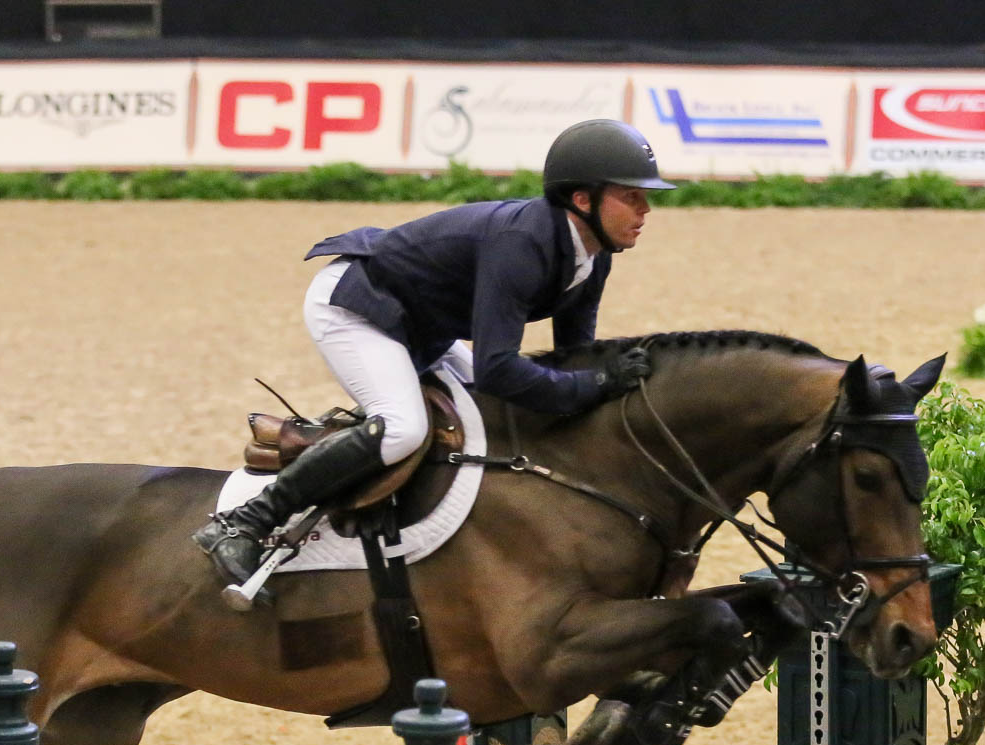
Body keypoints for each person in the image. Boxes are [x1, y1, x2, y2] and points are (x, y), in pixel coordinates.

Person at [195, 118, 676, 586]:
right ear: (582, 199)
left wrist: (605, 386)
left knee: (490, 419)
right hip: (357, 306)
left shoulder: (593, 256)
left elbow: (574, 356)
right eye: (631, 197)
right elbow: (497, 368)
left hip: (424, 326)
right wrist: (592, 385)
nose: (645, 211)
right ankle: (245, 522)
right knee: (403, 429)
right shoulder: (522, 244)